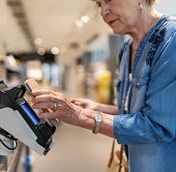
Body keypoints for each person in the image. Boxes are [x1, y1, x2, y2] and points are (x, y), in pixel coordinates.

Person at [31, 0, 176, 171]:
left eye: (109, 0)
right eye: (99, 4)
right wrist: (97, 109)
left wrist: (80, 115)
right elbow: (135, 113)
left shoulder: (170, 40)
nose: (103, 12)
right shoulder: (126, 50)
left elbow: (158, 127)